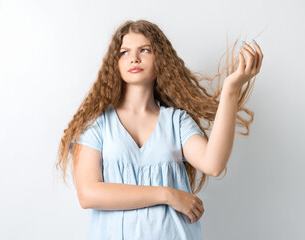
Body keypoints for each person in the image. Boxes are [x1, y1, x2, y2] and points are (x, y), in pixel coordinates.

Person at [55, 19, 263, 239]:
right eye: (124, 52)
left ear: (160, 61)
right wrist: (167, 194)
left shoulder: (177, 122)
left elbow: (213, 164)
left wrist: (230, 90)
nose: (134, 58)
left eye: (145, 50)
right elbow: (88, 194)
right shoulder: (96, 123)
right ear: (114, 64)